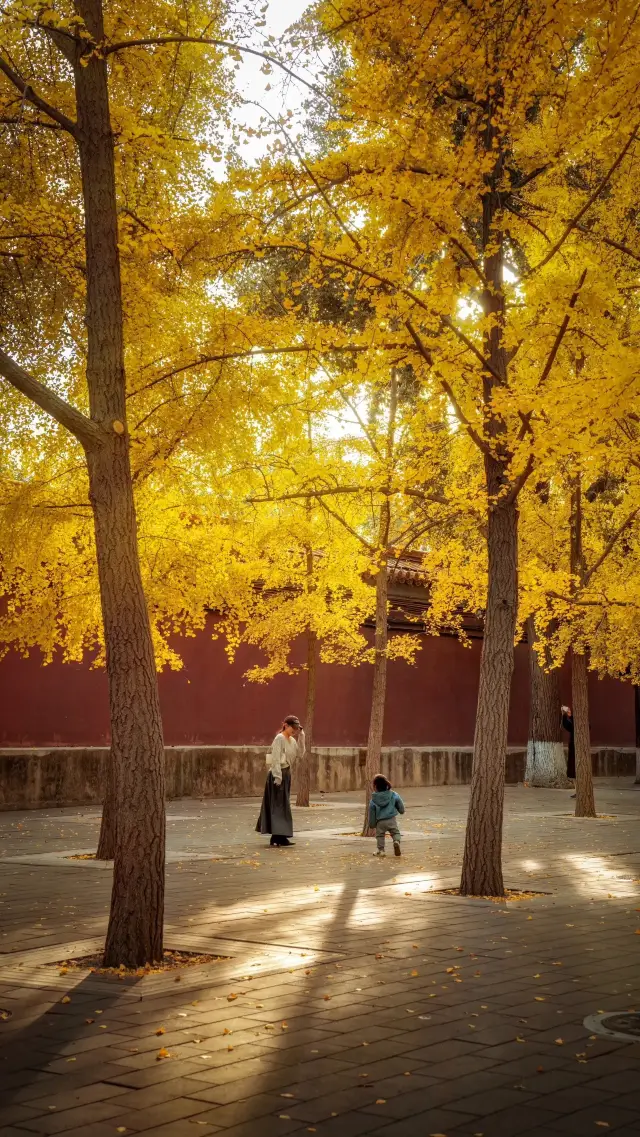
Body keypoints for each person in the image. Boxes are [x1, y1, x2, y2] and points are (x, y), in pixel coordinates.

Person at [256, 715, 305, 847]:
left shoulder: (292, 741)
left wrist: (301, 738)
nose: (294, 731)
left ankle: (280, 836)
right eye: (292, 728)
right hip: (277, 775)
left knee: (283, 806)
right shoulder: (279, 738)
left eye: (296, 729)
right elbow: (276, 758)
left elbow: (300, 754)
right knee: (277, 806)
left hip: (286, 774)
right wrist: (277, 776)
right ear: (286, 725)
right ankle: (277, 837)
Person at [368, 774, 405, 857]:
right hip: (391, 819)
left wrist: (372, 825)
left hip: (380, 822)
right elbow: (401, 807)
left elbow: (372, 813)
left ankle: (381, 851)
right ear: (386, 783)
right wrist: (401, 811)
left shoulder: (373, 800)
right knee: (395, 833)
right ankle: (396, 841)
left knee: (380, 836)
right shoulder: (393, 794)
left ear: (375, 786)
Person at [561, 704, 576, 794]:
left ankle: (580, 791)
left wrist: (570, 716)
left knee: (577, 771)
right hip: (572, 747)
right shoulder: (572, 720)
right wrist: (564, 715)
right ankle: (576, 791)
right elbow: (567, 726)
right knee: (573, 773)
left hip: (578, 749)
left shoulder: (582, 720)